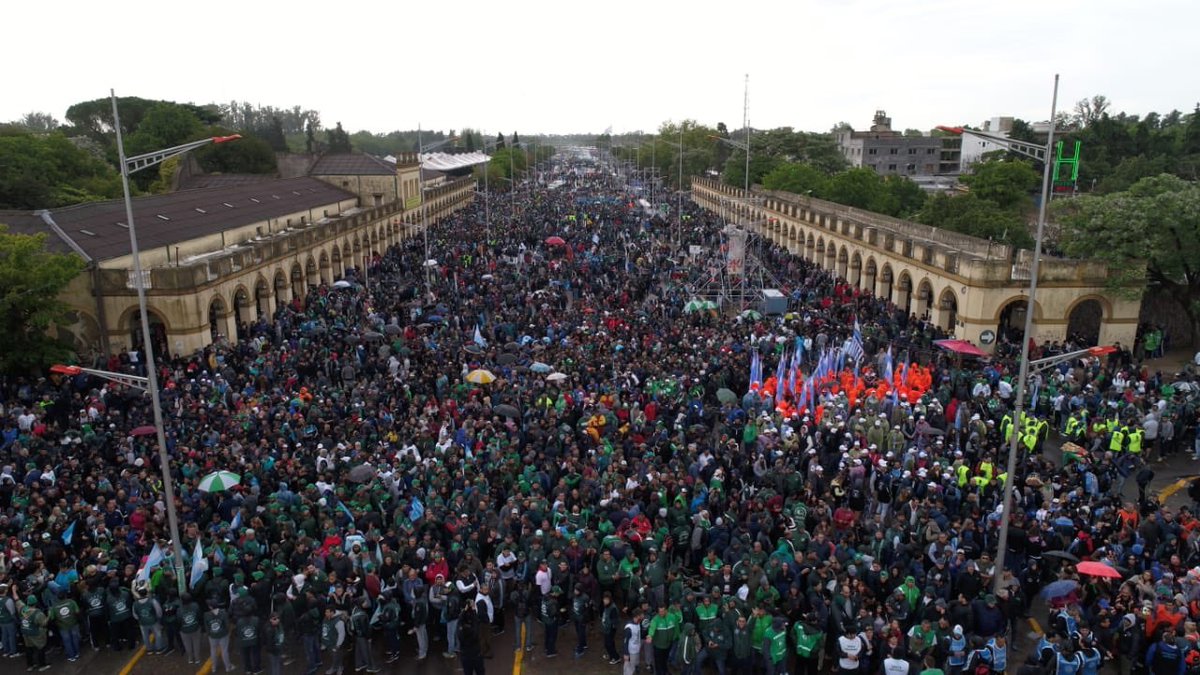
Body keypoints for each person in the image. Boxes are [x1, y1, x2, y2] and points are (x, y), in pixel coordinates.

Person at [17, 594, 49, 671]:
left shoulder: (22, 609)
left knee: (28, 649)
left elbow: (18, 602)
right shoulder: (38, 613)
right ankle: (42, 665)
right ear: (36, 603)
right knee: (40, 648)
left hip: (25, 632)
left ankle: (30, 665)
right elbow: (43, 623)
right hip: (35, 633)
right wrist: (49, 616)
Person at [50, 587, 82, 663]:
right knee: (75, 639)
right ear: (65, 595)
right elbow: (77, 612)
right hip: (74, 623)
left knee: (67, 641)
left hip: (62, 627)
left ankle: (72, 656)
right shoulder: (71, 602)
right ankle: (77, 653)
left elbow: (52, 618)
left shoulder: (54, 607)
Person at [205, 602, 234, 674]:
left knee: (213, 651)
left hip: (212, 635)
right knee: (224, 650)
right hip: (223, 635)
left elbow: (206, 626)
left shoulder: (206, 615)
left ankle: (214, 667)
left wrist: (209, 634)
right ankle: (228, 667)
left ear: (210, 607)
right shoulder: (223, 613)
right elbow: (227, 625)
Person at [350, 598, 378, 673]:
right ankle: (370, 667)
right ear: (361, 604)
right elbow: (365, 628)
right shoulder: (362, 614)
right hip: (363, 635)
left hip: (356, 635)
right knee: (367, 651)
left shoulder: (354, 611)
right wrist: (368, 637)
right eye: (365, 602)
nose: (366, 603)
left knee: (358, 650)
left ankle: (359, 665)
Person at [601, 591, 621, 664]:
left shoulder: (613, 608)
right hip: (606, 628)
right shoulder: (607, 606)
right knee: (607, 644)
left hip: (610, 629)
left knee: (609, 643)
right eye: (604, 599)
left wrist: (611, 628)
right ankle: (610, 655)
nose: (605, 601)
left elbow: (614, 621)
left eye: (607, 599)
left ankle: (616, 657)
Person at [622, 607, 643, 675]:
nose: (643, 616)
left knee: (634, 665)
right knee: (629, 667)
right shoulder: (629, 627)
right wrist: (626, 654)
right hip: (631, 651)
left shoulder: (638, 623)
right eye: (641, 615)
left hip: (636, 649)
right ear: (637, 616)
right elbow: (625, 642)